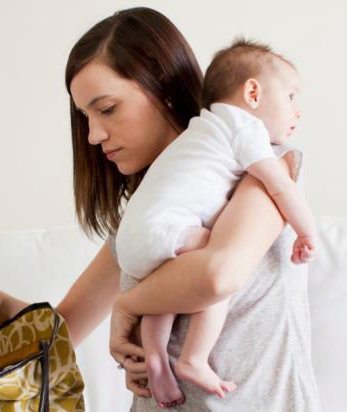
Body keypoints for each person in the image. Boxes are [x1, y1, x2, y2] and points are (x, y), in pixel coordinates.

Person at [0, 6, 322, 411]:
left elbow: (217, 274)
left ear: (163, 86)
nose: (93, 135)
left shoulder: (268, 169)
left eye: (107, 109)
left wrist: (129, 303)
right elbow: (62, 335)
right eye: (85, 117)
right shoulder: (143, 228)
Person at [114, 38, 319, 406]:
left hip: (138, 238)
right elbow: (280, 188)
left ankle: (156, 355)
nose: (297, 111)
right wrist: (307, 232)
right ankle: (194, 358)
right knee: (208, 252)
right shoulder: (245, 129)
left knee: (166, 284)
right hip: (165, 232)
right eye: (290, 97)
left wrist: (127, 304)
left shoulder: (198, 137)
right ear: (253, 93)